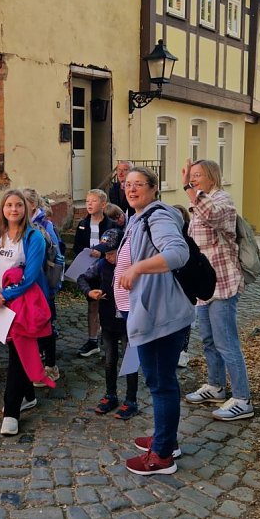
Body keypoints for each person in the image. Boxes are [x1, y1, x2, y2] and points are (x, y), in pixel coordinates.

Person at [115, 166, 192, 476]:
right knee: (161, 382)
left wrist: (136, 269)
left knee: (161, 385)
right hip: (155, 312)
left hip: (161, 316)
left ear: (153, 188)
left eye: (139, 185)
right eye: (127, 184)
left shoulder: (157, 216)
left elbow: (178, 253)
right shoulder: (138, 216)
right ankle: (166, 439)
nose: (132, 189)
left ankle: (161, 456)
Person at [181, 159, 254, 421]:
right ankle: (216, 386)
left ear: (212, 177)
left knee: (226, 342)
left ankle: (243, 399)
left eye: (198, 175)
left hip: (223, 282)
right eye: (191, 175)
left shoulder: (223, 200)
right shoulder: (199, 201)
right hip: (204, 284)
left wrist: (188, 188)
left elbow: (211, 215)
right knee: (209, 340)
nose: (194, 179)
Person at [0, 190, 51, 436]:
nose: (13, 210)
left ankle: (11, 411)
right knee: (16, 352)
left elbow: (31, 275)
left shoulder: (34, 237)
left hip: (23, 305)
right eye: (9, 205)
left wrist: (4, 296)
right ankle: (29, 395)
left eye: (18, 205)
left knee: (16, 355)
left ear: (26, 209)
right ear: (2, 208)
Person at [77, 228, 138, 420]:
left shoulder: (134, 266)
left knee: (130, 362)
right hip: (109, 321)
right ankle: (110, 394)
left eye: (112, 253)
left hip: (129, 323)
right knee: (110, 360)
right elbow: (82, 277)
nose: (109, 257)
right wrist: (89, 292)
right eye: (106, 253)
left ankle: (131, 400)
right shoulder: (102, 264)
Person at [22, 188, 62, 387]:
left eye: (22, 203)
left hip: (43, 284)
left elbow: (56, 256)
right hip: (25, 287)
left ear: (32, 205)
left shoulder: (45, 226)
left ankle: (51, 365)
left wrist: (54, 284)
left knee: (46, 324)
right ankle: (34, 362)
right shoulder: (18, 226)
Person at [73, 189, 119, 358]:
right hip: (89, 270)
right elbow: (77, 246)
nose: (89, 204)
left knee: (110, 304)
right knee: (92, 305)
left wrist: (102, 253)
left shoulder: (111, 225)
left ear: (103, 204)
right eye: (87, 201)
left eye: (93, 201)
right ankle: (92, 340)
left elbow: (117, 246)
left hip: (107, 269)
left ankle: (113, 337)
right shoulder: (82, 224)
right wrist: (84, 253)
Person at [172, 204, 192, 369]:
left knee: (184, 319)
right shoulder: (165, 233)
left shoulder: (189, 235)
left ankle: (183, 351)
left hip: (185, 282)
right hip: (170, 282)